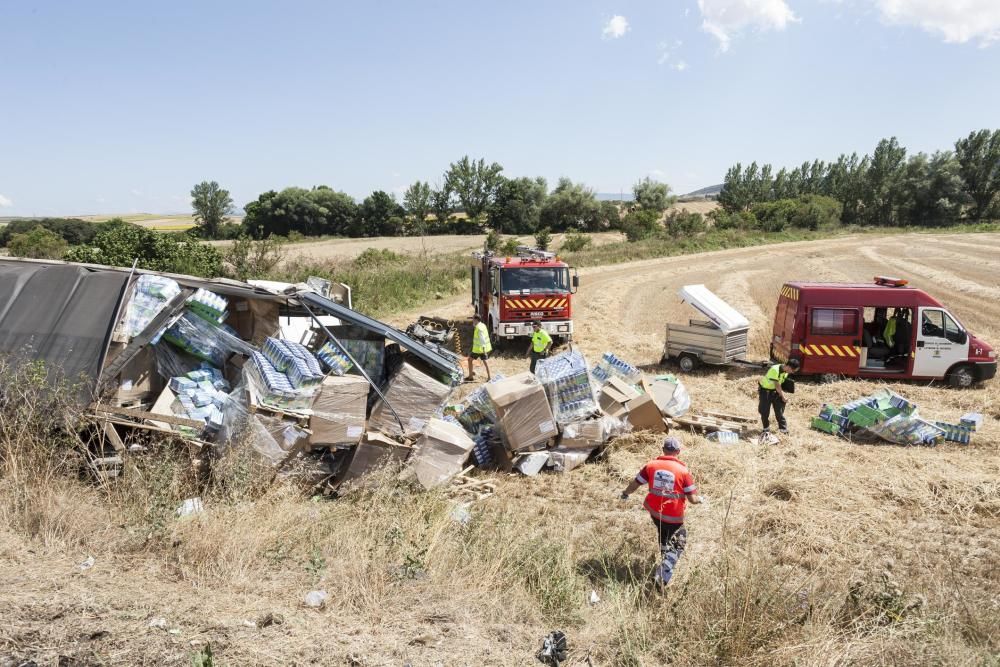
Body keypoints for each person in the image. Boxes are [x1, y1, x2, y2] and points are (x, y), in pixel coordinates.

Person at [620, 436, 703, 588]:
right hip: (673, 516)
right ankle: (663, 574)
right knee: (680, 540)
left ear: (663, 450)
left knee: (664, 535)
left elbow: (635, 484)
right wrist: (700, 499)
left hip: (654, 512)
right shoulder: (683, 471)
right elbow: (692, 499)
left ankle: (664, 557)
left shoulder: (651, 466)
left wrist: (625, 493)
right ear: (678, 451)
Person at [758, 358, 800, 434]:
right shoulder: (775, 370)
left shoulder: (785, 372)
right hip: (765, 392)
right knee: (764, 412)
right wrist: (783, 397)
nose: (792, 372)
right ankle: (766, 429)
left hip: (775, 392)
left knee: (779, 411)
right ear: (789, 367)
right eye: (793, 371)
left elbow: (781, 384)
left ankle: (783, 430)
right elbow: (777, 386)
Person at [466, 313, 492, 381]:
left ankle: (470, 377)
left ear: (476, 319)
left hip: (479, 349)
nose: (472, 321)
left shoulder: (478, 327)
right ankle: (489, 377)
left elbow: (482, 338)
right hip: (483, 348)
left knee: (469, 360)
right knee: (485, 362)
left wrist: (483, 348)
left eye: (473, 319)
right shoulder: (482, 325)